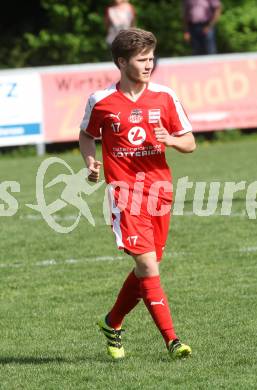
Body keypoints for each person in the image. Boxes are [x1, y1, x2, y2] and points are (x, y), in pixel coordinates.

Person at [79, 28, 196, 360]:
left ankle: (112, 322)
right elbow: (86, 135)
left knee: (149, 266)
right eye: (142, 59)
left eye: (151, 58)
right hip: (124, 194)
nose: (149, 64)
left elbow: (190, 142)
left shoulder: (165, 97)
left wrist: (170, 140)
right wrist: (90, 160)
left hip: (160, 192)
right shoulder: (101, 101)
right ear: (121, 62)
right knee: (147, 265)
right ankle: (173, 340)